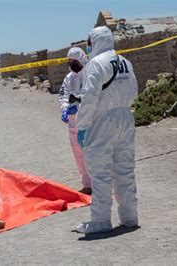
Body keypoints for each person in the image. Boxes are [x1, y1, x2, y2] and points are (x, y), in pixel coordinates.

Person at [75, 26, 139, 234]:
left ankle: (101, 220)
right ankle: (130, 217)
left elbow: (89, 99)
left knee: (100, 173)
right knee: (125, 169)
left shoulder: (96, 64)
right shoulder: (125, 63)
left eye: (89, 41)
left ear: (95, 41)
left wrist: (82, 126)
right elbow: (135, 89)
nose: (88, 46)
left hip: (102, 120)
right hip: (125, 118)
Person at [58, 47, 92, 195]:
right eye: (69, 61)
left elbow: (93, 96)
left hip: (90, 121)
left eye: (73, 61)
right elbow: (63, 95)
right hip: (74, 124)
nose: (71, 64)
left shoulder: (91, 74)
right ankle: (87, 184)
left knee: (92, 152)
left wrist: (78, 106)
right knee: (79, 154)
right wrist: (65, 108)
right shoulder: (69, 78)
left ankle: (100, 183)